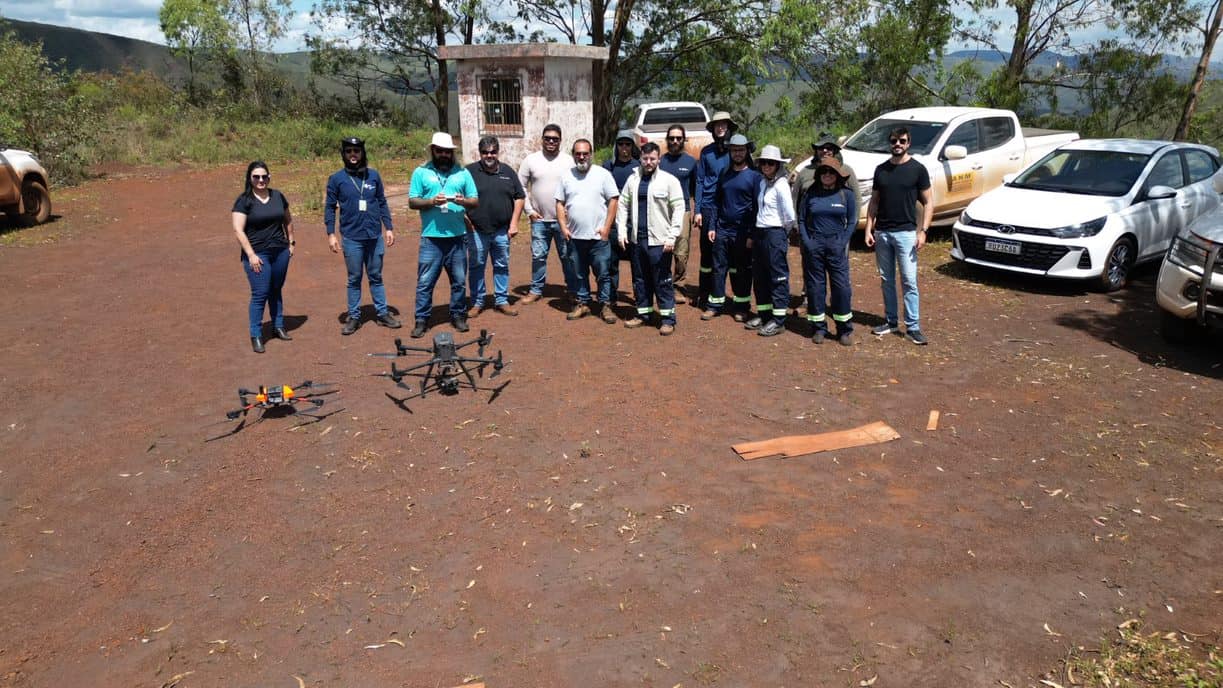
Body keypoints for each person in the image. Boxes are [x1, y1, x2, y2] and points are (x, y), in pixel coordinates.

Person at [864, 126, 933, 345]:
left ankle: (913, 327)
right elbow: (874, 202)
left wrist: (923, 232)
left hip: (906, 233)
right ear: (890, 142)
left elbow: (928, 202)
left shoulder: (918, 169)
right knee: (886, 280)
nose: (897, 144)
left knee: (909, 281)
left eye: (902, 141)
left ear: (908, 143)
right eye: (894, 140)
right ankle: (891, 321)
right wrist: (869, 228)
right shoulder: (881, 170)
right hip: (883, 233)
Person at [325, 137, 399, 335]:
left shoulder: (373, 176)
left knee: (376, 276)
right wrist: (331, 234)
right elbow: (330, 208)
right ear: (344, 154)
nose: (353, 155)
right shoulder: (336, 179)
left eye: (356, 151)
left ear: (362, 153)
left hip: (374, 236)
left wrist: (389, 227)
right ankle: (354, 316)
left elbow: (382, 202)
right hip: (352, 238)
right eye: (348, 151)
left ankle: (382, 313)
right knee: (354, 278)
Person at [408, 132, 479, 338]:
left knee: (458, 280)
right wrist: (431, 202)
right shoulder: (421, 172)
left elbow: (474, 200)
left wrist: (462, 201)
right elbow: (413, 201)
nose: (444, 155)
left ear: (452, 153)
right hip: (431, 238)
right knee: (425, 282)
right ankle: (421, 319)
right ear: (433, 151)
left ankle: (457, 314)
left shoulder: (462, 173)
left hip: (457, 237)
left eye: (447, 152)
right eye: (439, 151)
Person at [615, 142, 686, 335]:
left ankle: (668, 319)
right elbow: (622, 206)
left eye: (652, 159)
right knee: (640, 280)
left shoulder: (669, 181)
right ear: (640, 159)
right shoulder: (633, 180)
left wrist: (672, 236)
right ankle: (643, 314)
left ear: (658, 159)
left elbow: (679, 210)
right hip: (638, 241)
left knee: (662, 280)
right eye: (645, 159)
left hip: (660, 241)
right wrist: (621, 231)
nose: (648, 162)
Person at [233, 161, 294, 353]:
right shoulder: (244, 200)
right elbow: (238, 229)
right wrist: (250, 255)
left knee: (276, 290)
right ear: (250, 179)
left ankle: (278, 326)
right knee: (260, 293)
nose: (261, 180)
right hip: (258, 254)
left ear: (269, 177)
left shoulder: (278, 196)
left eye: (264, 176)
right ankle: (256, 334)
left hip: (280, 252)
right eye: (256, 177)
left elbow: (288, 220)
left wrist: (291, 243)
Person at [556, 139, 620, 323]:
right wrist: (563, 227)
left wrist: (607, 228)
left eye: (585, 153)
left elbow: (613, 200)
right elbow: (559, 203)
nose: (581, 157)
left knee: (603, 274)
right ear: (573, 154)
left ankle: (606, 305)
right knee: (578, 273)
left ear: (591, 153)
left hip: (598, 238)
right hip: (574, 237)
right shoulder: (566, 176)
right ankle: (582, 302)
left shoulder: (603, 174)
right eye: (578, 153)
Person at [464, 135, 525, 318]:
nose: (489, 155)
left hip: (502, 230)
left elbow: (520, 197)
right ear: (479, 153)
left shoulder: (508, 171)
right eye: (485, 152)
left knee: (501, 265)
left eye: (492, 152)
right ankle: (477, 301)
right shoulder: (469, 172)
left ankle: (501, 300)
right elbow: (456, 199)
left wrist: (514, 223)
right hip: (477, 230)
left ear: (498, 152)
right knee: (477, 266)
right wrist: (467, 221)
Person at [702, 134, 759, 322]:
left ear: (747, 151)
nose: (737, 153)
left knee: (742, 269)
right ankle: (715, 305)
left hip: (743, 232)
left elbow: (757, 208)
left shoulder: (754, 177)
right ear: (730, 152)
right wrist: (712, 226)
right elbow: (716, 202)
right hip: (722, 229)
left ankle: (741, 306)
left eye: (741, 150)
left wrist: (752, 233)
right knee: (719, 267)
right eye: (734, 150)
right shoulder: (724, 175)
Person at [800, 157, 858, 345]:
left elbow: (852, 220)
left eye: (831, 172)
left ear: (838, 175)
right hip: (814, 244)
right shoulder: (811, 193)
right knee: (815, 288)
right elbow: (801, 219)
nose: (827, 175)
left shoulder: (846, 194)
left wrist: (842, 241)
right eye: (823, 172)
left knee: (841, 288)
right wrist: (808, 242)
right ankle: (819, 328)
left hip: (836, 245)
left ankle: (844, 329)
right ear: (818, 175)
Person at [518, 124, 578, 305]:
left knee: (568, 256)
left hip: (563, 221)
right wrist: (529, 210)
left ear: (560, 141)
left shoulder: (569, 161)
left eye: (555, 139)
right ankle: (536, 289)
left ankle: (572, 289)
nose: (551, 141)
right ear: (542, 139)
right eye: (548, 138)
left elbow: (577, 185)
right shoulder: (531, 160)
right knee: (538, 256)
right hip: (539, 220)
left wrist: (572, 208)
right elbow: (519, 186)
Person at [745, 145, 797, 337]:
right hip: (760, 232)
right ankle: (764, 314)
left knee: (777, 277)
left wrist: (781, 234)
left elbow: (790, 217)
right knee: (760, 276)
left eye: (771, 163)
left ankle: (779, 319)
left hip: (775, 233)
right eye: (763, 162)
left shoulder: (781, 185)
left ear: (777, 165)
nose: (767, 166)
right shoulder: (762, 183)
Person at [694, 111, 738, 307]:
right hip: (709, 206)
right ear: (712, 129)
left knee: (731, 253)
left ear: (729, 127)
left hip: (730, 207)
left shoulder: (737, 151)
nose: (720, 128)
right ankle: (705, 293)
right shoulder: (706, 152)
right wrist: (697, 210)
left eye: (724, 125)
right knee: (707, 254)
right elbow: (700, 181)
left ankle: (736, 297)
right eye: (717, 125)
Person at [658, 125, 698, 304]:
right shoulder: (660, 162)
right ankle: (662, 286)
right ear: (667, 140)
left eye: (678, 138)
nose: (675, 141)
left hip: (683, 212)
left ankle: (678, 286)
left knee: (681, 253)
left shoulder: (690, 162)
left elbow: (696, 189)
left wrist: (698, 211)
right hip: (662, 211)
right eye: (672, 138)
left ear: (683, 140)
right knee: (662, 250)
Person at [603, 133, 641, 314]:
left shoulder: (639, 167)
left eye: (628, 144)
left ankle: (640, 296)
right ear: (616, 146)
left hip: (633, 223)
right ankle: (611, 298)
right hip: (612, 223)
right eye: (621, 144)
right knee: (611, 263)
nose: (624, 148)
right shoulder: (608, 167)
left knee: (637, 262)